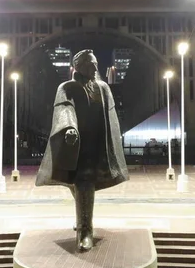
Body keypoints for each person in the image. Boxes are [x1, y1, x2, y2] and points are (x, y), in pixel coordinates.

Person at [35, 49, 129, 252]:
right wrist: (69, 127)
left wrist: (113, 146)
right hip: (76, 144)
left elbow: (111, 117)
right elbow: (64, 108)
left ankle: (83, 223)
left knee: (82, 183)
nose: (95, 67)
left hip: (98, 144)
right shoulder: (67, 87)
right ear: (78, 67)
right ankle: (85, 229)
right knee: (81, 182)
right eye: (90, 64)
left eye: (95, 64)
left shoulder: (103, 88)